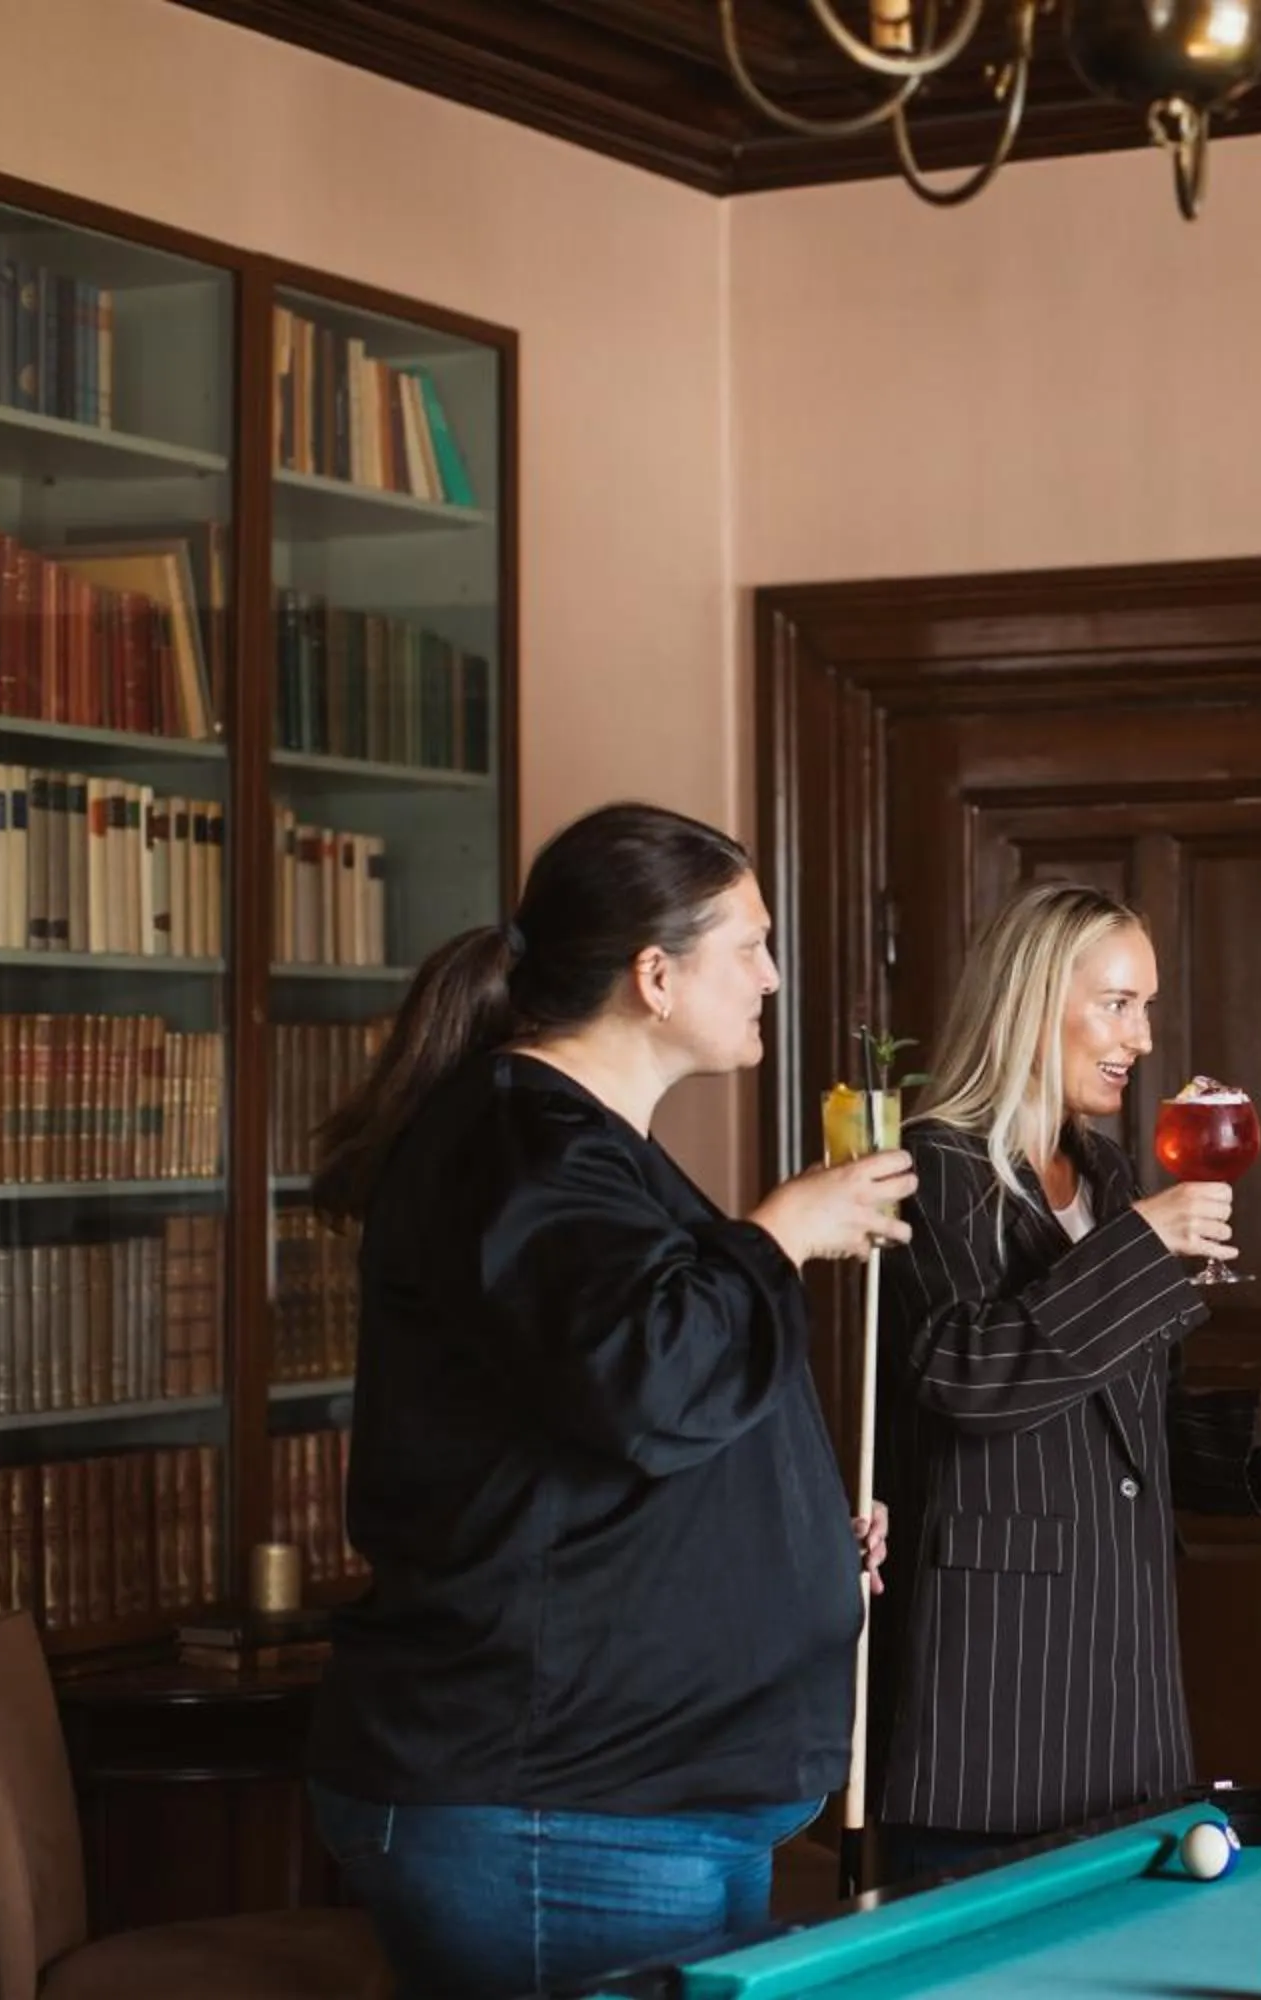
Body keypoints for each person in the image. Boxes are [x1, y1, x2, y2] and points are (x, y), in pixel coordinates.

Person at [304, 803, 917, 2000]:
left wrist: (782, 1536)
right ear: (653, 973)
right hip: (556, 1810)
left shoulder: (578, 1144)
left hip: (643, 1804)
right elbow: (656, 1380)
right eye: (748, 943)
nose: (772, 976)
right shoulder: (521, 1145)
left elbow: (600, 1423)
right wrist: (782, 1228)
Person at [871, 880, 1261, 1877]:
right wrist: (1135, 1247)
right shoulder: (932, 1165)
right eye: (1118, 1003)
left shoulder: (1116, 1175)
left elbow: (1135, 1425)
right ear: (1034, 1001)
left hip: (1125, 1683)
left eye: (1148, 1006)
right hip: (988, 1698)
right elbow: (965, 1373)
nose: (1142, 1035)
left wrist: (1259, 1420)